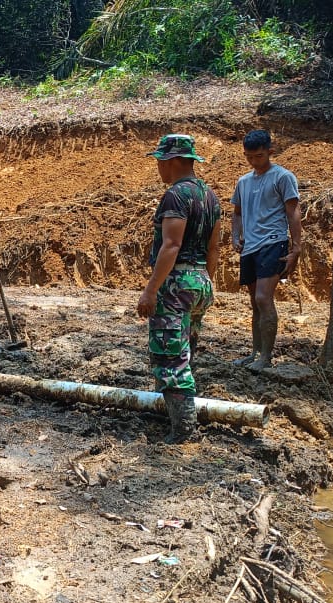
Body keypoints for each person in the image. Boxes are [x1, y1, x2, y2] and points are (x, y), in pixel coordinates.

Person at [136, 134, 221, 444]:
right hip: (200, 281)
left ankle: (183, 430)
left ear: (172, 162)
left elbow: (171, 245)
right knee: (186, 350)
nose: (158, 167)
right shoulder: (210, 196)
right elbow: (214, 249)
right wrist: (206, 282)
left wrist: (151, 290)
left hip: (177, 284)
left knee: (170, 358)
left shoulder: (175, 196)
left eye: (160, 161)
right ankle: (177, 414)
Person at [230, 129, 302, 371]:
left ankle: (266, 357)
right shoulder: (242, 181)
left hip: (273, 241)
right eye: (248, 156)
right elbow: (237, 213)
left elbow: (293, 211)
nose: (253, 161)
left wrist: (297, 246)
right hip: (249, 245)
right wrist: (235, 235)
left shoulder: (283, 177)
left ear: (270, 152)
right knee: (254, 301)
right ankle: (255, 352)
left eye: (258, 156)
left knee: (263, 298)